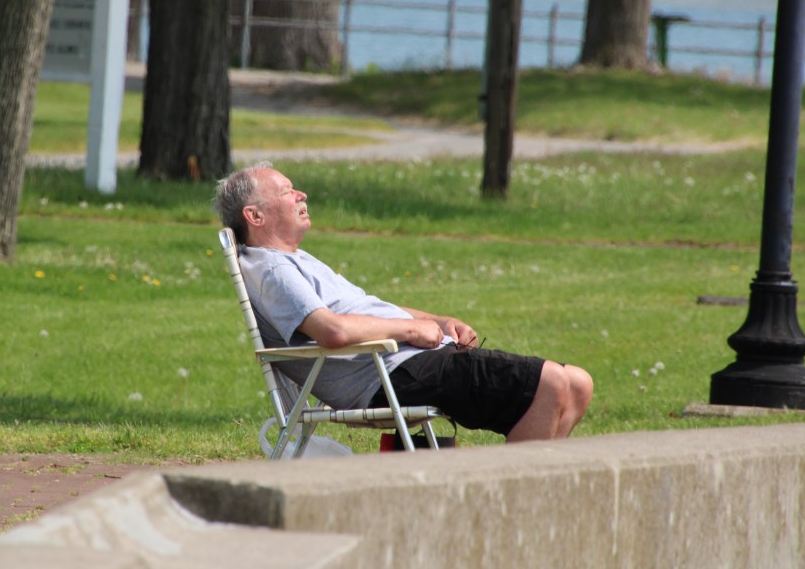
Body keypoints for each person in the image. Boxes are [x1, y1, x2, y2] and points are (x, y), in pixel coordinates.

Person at [213, 162, 593, 442]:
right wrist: (411, 330)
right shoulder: (273, 269)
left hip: (408, 363)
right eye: (287, 191)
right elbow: (332, 331)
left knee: (578, 383)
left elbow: (363, 307)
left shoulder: (295, 260)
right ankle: (510, 506)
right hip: (389, 375)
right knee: (550, 383)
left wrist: (437, 321)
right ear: (255, 215)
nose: (302, 195)